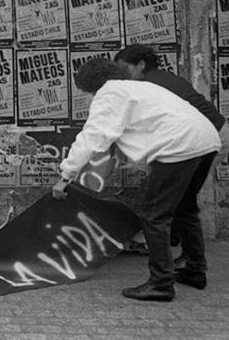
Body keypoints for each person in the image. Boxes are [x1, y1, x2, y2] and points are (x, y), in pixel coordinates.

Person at [52, 58, 220, 301]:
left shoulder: (109, 94)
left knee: (153, 215)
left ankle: (161, 283)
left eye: (88, 92)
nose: (90, 97)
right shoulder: (140, 88)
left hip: (179, 146)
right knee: (186, 209)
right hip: (205, 140)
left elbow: (92, 137)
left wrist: (65, 176)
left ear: (91, 85)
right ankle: (195, 270)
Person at [114, 44, 226, 266]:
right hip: (211, 136)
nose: (121, 75)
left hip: (205, 139)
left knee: (166, 206)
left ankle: (167, 272)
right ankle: (191, 262)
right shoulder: (163, 78)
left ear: (141, 65)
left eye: (124, 68)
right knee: (183, 202)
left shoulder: (149, 85)